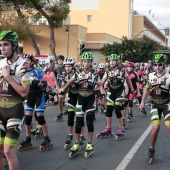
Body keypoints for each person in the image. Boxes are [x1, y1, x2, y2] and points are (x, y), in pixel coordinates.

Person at [61, 52, 105, 158]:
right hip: (80, 99)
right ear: (82, 62)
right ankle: (76, 142)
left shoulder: (95, 74)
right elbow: (70, 81)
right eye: (84, 62)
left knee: (89, 121)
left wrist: (102, 93)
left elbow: (99, 85)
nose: (86, 64)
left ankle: (89, 143)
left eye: (88, 62)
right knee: (79, 122)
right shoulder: (78, 73)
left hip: (90, 99)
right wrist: (63, 89)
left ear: (91, 63)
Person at [0, 30, 31, 170]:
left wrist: (8, 77)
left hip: (15, 110)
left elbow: (24, 92)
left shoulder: (24, 65)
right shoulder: (0, 62)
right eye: (0, 45)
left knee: (8, 151)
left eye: (5, 44)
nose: (2, 48)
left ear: (14, 45)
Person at [18, 54, 53, 151]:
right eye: (24, 60)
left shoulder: (37, 71)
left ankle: (46, 137)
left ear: (32, 62)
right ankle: (28, 137)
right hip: (29, 95)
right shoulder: (22, 71)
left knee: (40, 117)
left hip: (38, 94)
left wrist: (37, 83)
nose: (25, 62)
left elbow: (44, 83)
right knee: (27, 118)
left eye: (27, 60)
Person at [140, 54, 170, 160]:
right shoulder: (150, 76)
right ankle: (152, 148)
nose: (157, 67)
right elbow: (146, 89)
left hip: (167, 104)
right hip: (155, 104)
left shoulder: (169, 76)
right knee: (156, 127)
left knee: (169, 127)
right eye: (155, 64)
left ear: (164, 65)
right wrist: (142, 101)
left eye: (160, 64)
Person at [97, 54, 131, 138]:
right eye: (110, 61)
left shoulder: (122, 70)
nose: (111, 62)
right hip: (111, 91)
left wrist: (132, 89)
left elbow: (128, 80)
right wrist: (98, 84)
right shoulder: (107, 70)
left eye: (113, 61)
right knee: (108, 110)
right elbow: (103, 80)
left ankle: (121, 128)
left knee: (117, 109)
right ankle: (108, 128)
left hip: (119, 91)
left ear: (117, 61)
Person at [61, 57, 85, 150]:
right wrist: (60, 92)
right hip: (71, 96)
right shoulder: (64, 76)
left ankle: (82, 136)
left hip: (79, 96)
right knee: (70, 117)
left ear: (73, 66)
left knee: (79, 117)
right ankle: (70, 135)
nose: (67, 68)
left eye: (69, 66)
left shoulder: (78, 74)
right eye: (66, 66)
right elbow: (63, 86)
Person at [54, 55, 66, 121]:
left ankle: (74, 113)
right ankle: (61, 113)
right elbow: (55, 78)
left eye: (60, 60)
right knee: (60, 100)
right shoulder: (56, 69)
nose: (59, 61)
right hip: (61, 86)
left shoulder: (66, 67)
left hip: (67, 86)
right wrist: (57, 86)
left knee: (70, 100)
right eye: (58, 60)